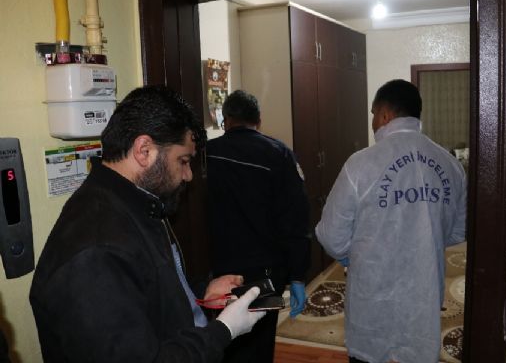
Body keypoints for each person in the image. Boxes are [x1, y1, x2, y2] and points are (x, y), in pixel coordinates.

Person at [29, 85, 266, 362]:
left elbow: (149, 288)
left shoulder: (137, 203)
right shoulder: (96, 251)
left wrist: (201, 291)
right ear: (144, 151)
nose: (188, 175)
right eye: (183, 161)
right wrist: (224, 330)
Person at [316, 79, 467, 363]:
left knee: (368, 353)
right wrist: (423, 238)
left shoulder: (360, 164)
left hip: (372, 291)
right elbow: (459, 230)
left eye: (374, 114)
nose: (373, 122)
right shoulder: (450, 164)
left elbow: (331, 235)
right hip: (423, 290)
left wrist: (352, 255)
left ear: (384, 114)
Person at [206, 90, 310, 363]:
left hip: (218, 272)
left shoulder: (207, 154)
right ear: (259, 120)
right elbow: (296, 219)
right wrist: (297, 275)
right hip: (265, 273)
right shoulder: (279, 154)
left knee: (223, 339)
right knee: (260, 345)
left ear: (226, 120)